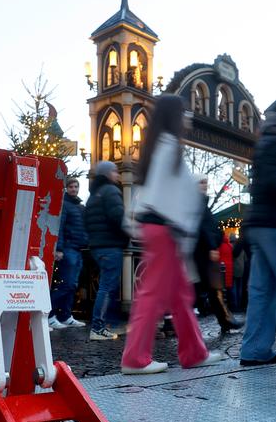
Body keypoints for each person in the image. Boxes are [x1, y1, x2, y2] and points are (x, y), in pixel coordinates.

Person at [121, 95, 224, 374]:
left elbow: (150, 192)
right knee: (154, 293)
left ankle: (194, 352)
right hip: (165, 228)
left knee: (179, 294)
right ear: (174, 115)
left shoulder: (159, 146)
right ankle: (134, 358)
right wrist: (186, 233)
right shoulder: (169, 148)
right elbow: (168, 197)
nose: (187, 117)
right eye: (183, 113)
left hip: (158, 226)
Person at [239, 101, 276, 366]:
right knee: (264, 290)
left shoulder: (264, 142)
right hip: (273, 223)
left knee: (262, 290)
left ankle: (254, 350)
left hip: (259, 224)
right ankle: (256, 349)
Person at [85, 160, 129, 341]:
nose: (118, 175)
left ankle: (106, 323)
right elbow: (118, 217)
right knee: (107, 287)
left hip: (98, 246)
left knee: (107, 286)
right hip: (110, 245)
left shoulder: (93, 195)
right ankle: (98, 327)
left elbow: (87, 221)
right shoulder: (111, 191)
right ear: (108, 173)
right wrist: (127, 235)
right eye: (115, 171)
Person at [194, 177, 242, 334]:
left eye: (205, 182)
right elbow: (204, 227)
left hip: (204, 251)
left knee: (214, 290)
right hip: (204, 252)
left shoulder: (201, 203)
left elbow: (207, 227)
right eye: (201, 182)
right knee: (214, 289)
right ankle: (226, 320)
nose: (205, 185)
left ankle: (226, 320)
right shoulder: (199, 204)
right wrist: (212, 245)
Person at [49, 177, 87, 329]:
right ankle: (49, 315)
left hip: (78, 250)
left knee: (73, 285)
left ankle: (65, 316)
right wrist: (59, 248)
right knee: (67, 284)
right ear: (66, 188)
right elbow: (60, 227)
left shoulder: (79, 206)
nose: (74, 189)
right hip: (68, 249)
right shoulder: (64, 205)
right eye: (71, 186)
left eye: (76, 186)